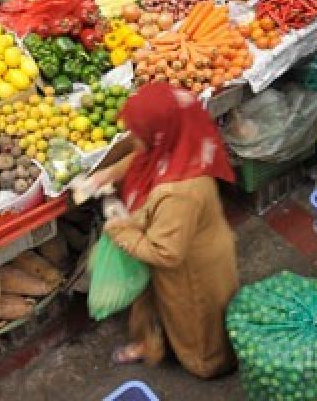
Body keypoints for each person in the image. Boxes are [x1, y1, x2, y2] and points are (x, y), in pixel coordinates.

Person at [89, 83, 239, 378]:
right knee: (154, 301)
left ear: (159, 135)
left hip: (190, 266)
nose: (134, 139)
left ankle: (206, 364)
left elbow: (166, 253)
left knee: (194, 321)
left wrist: (119, 229)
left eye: (139, 133)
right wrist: (108, 174)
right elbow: (141, 156)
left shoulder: (180, 192)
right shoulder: (181, 139)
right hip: (169, 234)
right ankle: (150, 343)